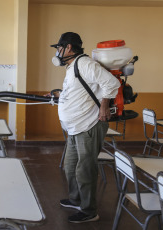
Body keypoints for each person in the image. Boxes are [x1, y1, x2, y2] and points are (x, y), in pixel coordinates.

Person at [50, 32, 120, 223]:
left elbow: (112, 83)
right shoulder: (73, 66)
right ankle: (76, 199)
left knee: (85, 169)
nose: (57, 52)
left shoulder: (85, 64)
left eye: (59, 48)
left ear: (69, 48)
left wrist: (104, 106)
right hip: (75, 127)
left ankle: (89, 210)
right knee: (70, 166)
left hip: (88, 125)